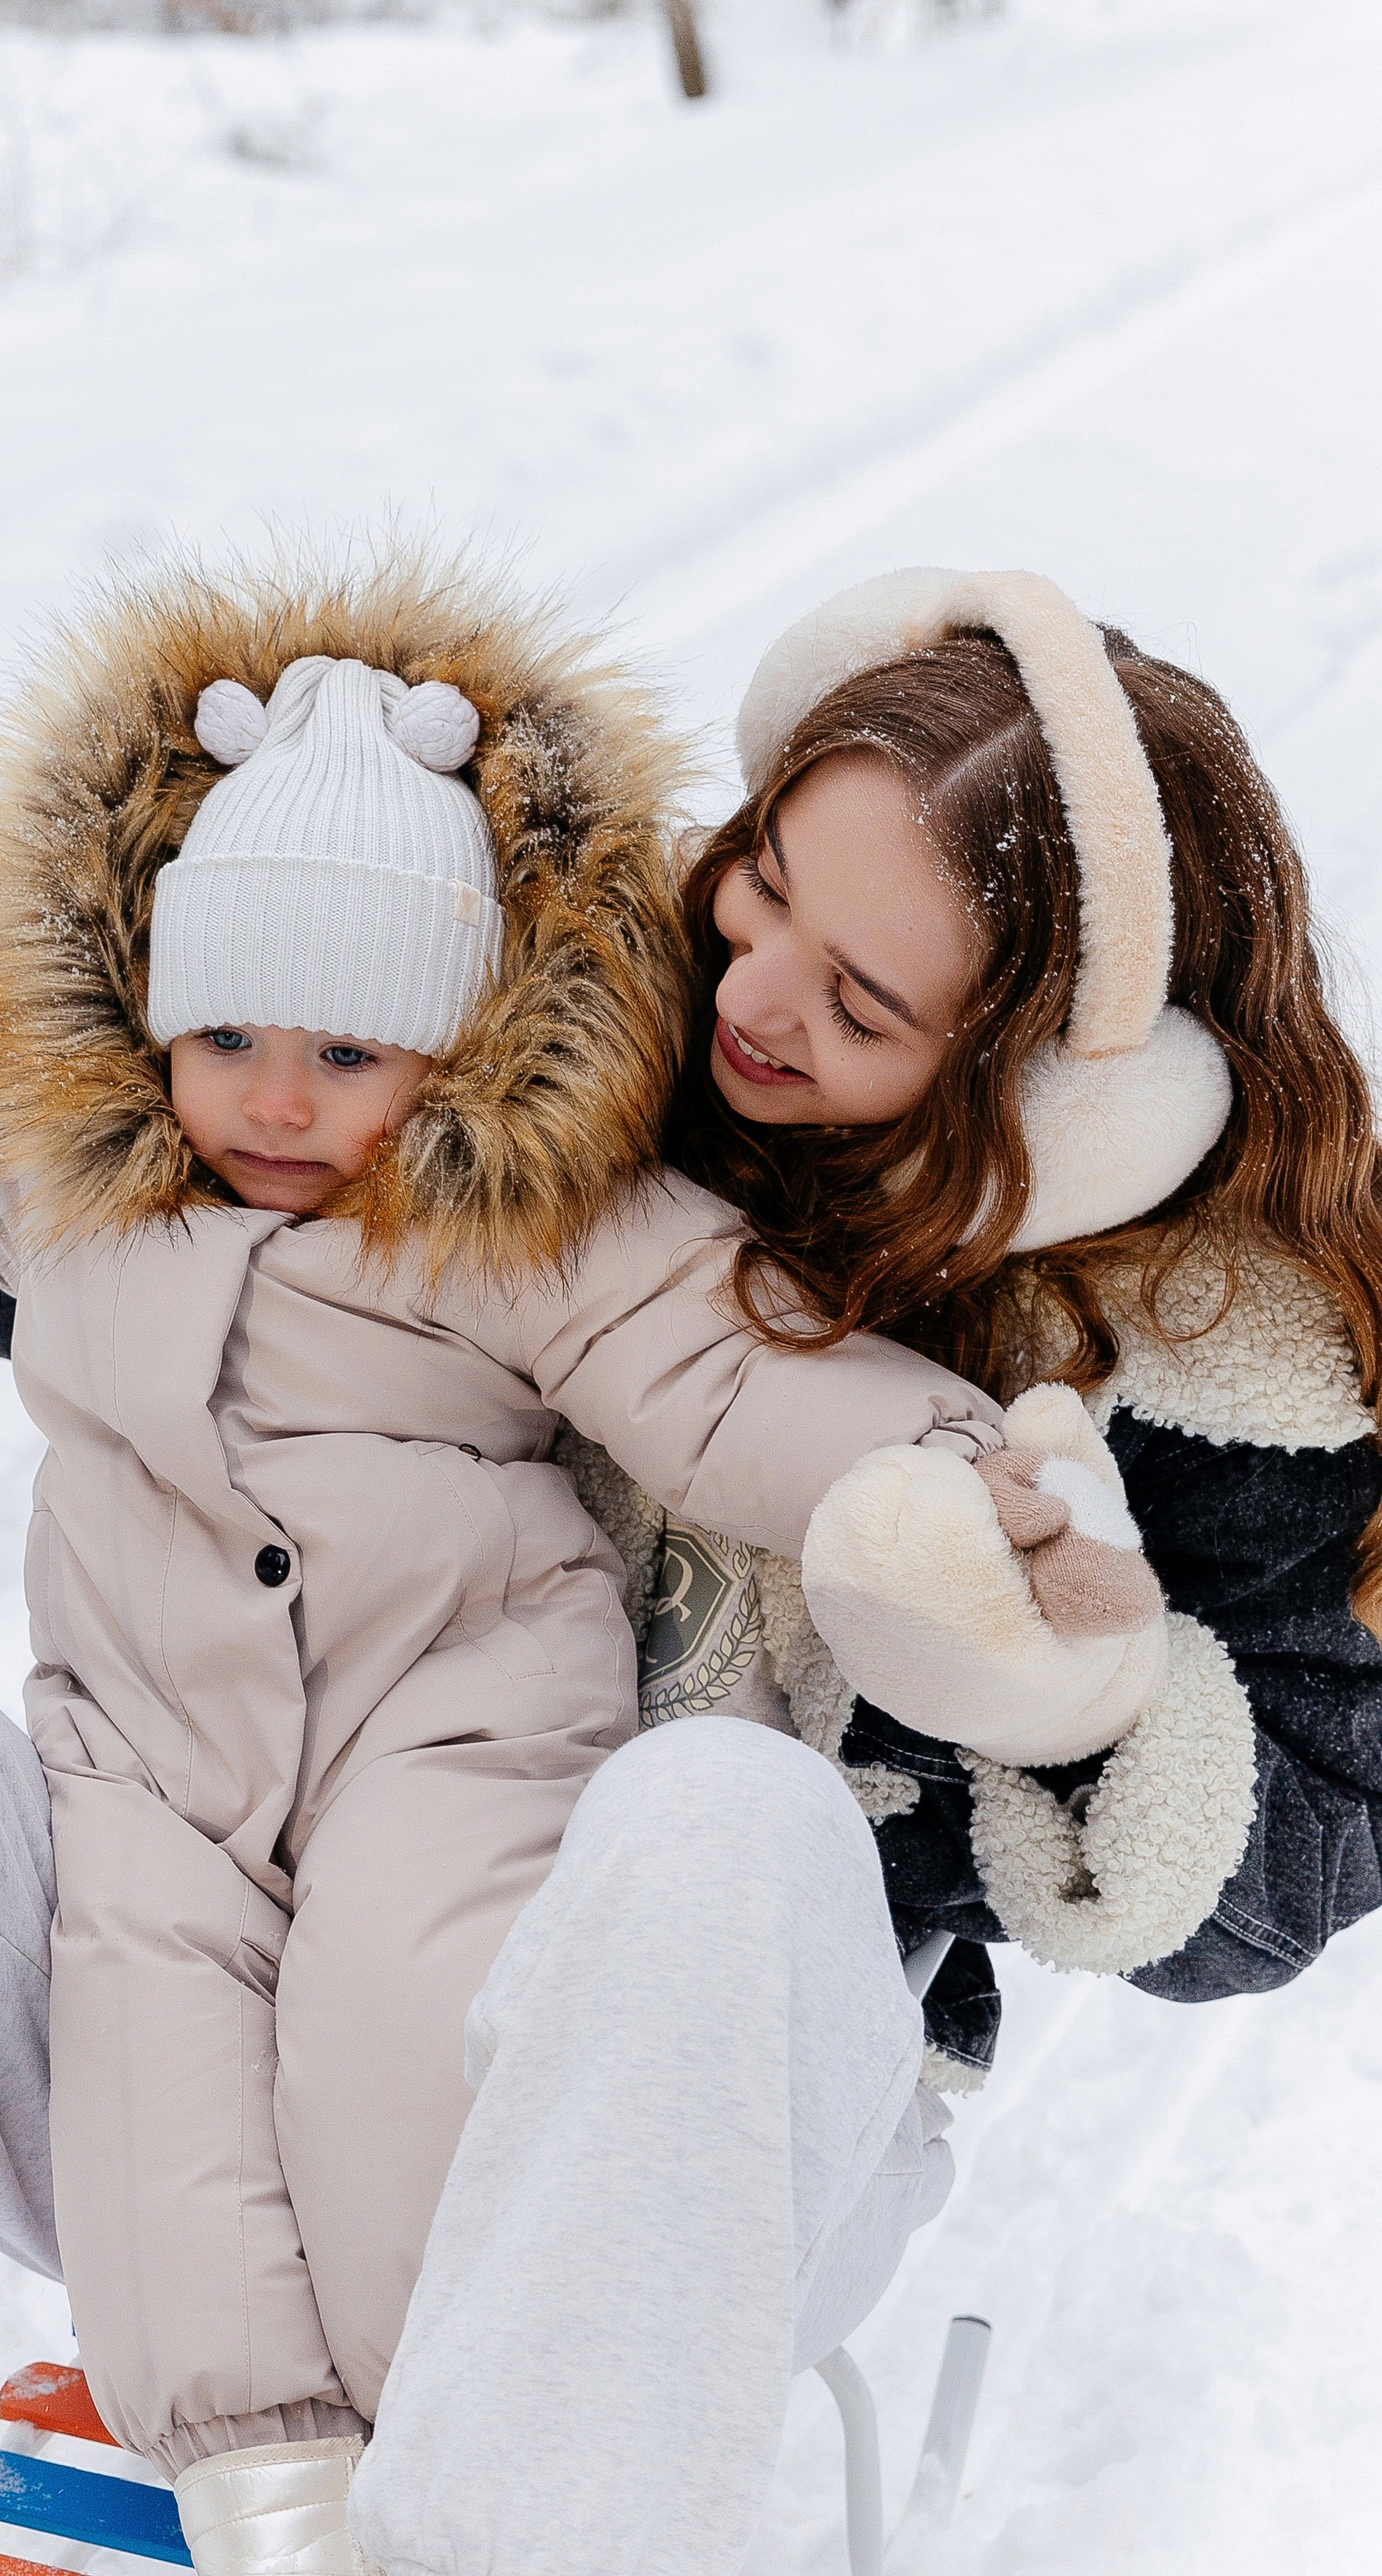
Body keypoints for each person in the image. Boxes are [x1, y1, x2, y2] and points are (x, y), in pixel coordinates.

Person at [0, 554, 1136, 2576]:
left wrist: (973, 1500)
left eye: (356, 1056)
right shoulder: (73, 1182)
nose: (280, 1100)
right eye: (232, 1036)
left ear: (456, 1052)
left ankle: (480, 2510)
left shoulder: (531, 1231)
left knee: (514, 1928)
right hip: (145, 1857)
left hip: (492, 1914)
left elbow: (733, 1373)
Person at [343, 567, 1382, 2576]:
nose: (753, 998)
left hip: (739, 2150)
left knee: (713, 1804)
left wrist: (1071, 1699)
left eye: (865, 1001)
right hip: (327, 1982)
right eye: (764, 894)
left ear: (1055, 1093)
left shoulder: (1214, 1364)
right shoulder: (591, 1024)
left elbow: (1309, 1853)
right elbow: (214, 1244)